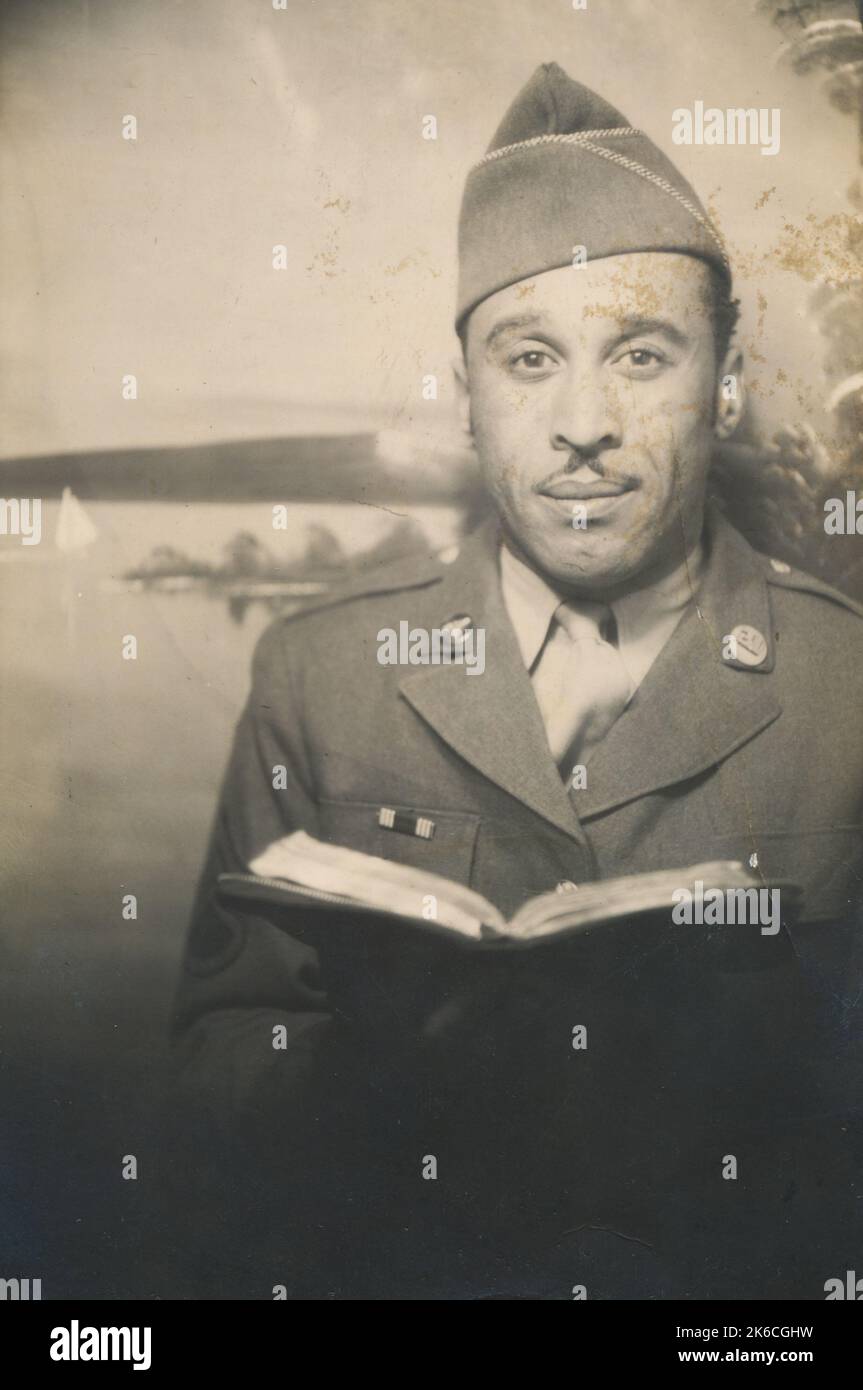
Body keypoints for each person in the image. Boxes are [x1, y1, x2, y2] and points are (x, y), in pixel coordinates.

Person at [170, 64, 863, 1300]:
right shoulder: (322, 676)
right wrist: (377, 1074)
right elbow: (222, 1064)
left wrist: (747, 1068)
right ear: (464, 400)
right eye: (528, 358)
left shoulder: (844, 685)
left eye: (640, 354)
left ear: (724, 384)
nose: (581, 421)